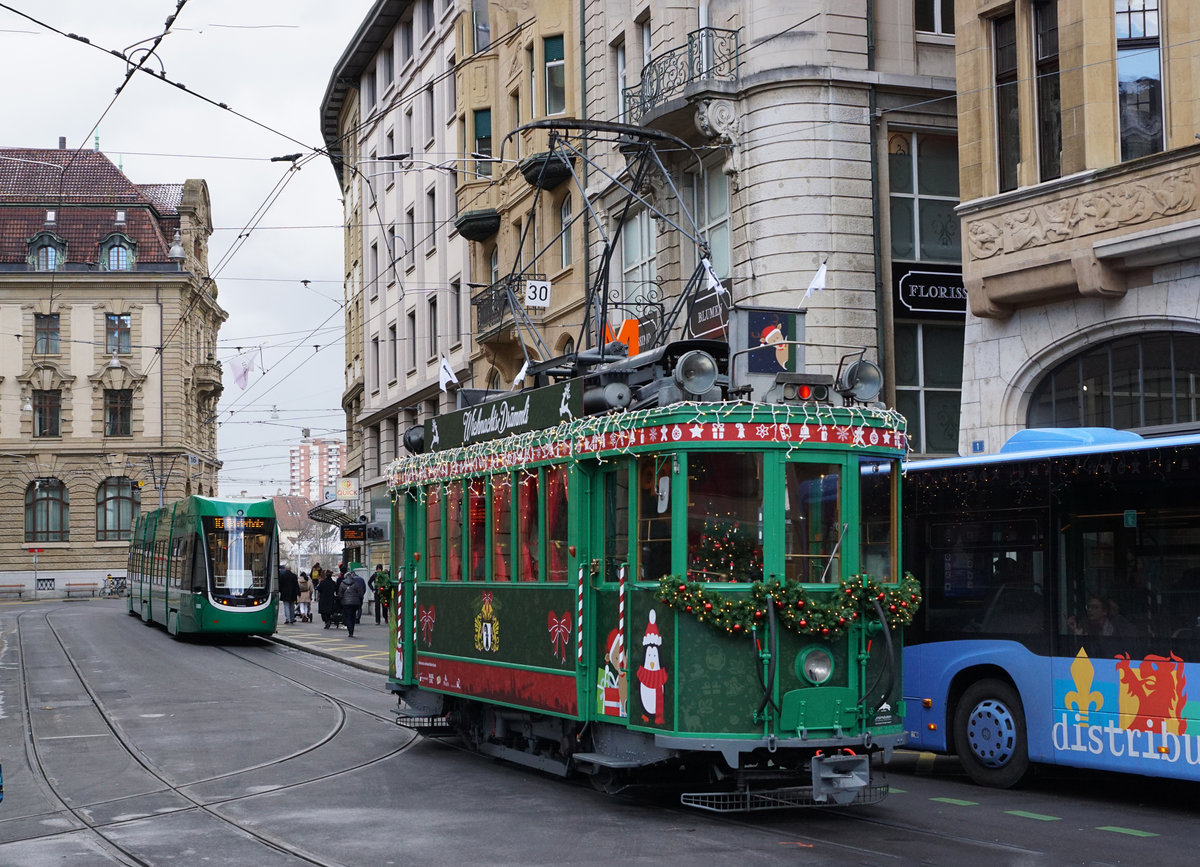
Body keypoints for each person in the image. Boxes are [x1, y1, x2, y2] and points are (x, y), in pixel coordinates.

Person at [338, 567, 367, 638]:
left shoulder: (342, 583)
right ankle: (352, 629)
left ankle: (349, 630)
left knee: (348, 616)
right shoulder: (355, 583)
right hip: (355, 603)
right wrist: (359, 599)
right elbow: (360, 593)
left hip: (346, 603)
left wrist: (341, 600)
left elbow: (340, 594)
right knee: (353, 616)